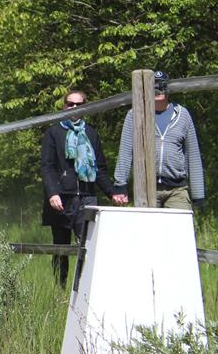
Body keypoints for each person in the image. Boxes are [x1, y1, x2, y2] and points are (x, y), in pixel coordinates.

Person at [40, 90, 126, 287]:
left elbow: (100, 170)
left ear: (85, 107)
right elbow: (47, 167)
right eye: (70, 104)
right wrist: (52, 193)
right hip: (61, 200)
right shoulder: (54, 133)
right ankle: (59, 290)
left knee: (87, 248)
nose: (74, 108)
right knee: (60, 249)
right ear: (64, 106)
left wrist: (113, 193)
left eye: (79, 105)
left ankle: (84, 291)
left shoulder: (91, 133)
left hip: (87, 198)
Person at [113, 70, 205, 211]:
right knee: (148, 225)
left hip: (177, 189)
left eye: (162, 86)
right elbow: (125, 151)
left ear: (168, 89)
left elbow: (193, 155)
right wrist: (120, 184)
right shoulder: (135, 114)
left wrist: (198, 194)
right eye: (154, 85)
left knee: (180, 224)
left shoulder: (183, 115)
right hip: (146, 188)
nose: (158, 90)